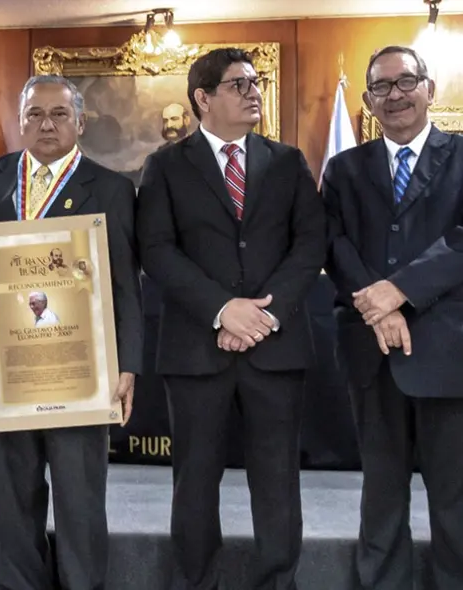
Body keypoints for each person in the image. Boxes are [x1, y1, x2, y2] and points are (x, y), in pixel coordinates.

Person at [135, 47, 327, 590]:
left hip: (276, 346)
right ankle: (197, 582)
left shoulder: (286, 161)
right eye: (239, 84)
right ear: (203, 98)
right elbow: (158, 250)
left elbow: (309, 243)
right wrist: (223, 310)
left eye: (255, 82)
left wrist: (261, 318)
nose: (253, 92)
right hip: (197, 349)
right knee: (194, 480)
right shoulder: (166, 165)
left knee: (277, 481)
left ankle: (277, 581)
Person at [0, 74, 143, 590]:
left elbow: (126, 286)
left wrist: (128, 365)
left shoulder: (114, 188)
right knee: (13, 502)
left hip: (81, 370)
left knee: (80, 501)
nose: (46, 124)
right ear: (20, 121)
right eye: (34, 114)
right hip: (6, 366)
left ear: (79, 121)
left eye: (58, 114)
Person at [322, 45, 463, 590]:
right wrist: (377, 307)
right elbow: (332, 244)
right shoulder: (343, 168)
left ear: (431, 89)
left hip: (447, 354)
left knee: (454, 498)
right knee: (381, 495)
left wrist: (400, 291)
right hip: (370, 352)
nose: (396, 94)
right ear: (368, 102)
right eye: (382, 87)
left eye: (407, 81)